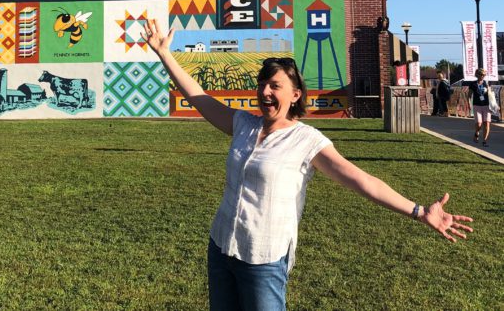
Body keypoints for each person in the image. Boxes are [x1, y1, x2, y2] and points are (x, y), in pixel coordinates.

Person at [141, 19, 473, 311]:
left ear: (296, 94)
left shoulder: (307, 140)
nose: (265, 92)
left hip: (263, 258)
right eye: (262, 84)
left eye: (275, 86)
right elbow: (198, 97)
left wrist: (418, 211)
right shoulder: (244, 124)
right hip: (221, 247)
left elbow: (362, 181)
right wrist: (164, 54)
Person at [468, 68, 491, 147]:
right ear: (477, 75)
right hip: (477, 105)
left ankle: (485, 141)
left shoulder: (486, 83)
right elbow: (469, 95)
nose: (482, 76)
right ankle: (476, 133)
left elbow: (490, 94)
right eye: (481, 74)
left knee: (486, 123)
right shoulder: (473, 84)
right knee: (479, 123)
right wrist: (468, 104)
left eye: (484, 75)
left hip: (486, 105)